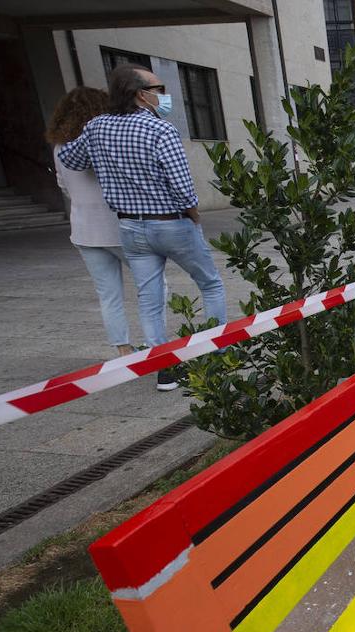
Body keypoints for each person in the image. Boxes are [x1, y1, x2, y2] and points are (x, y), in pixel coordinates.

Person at [59, 64, 227, 392]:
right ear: (140, 94)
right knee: (210, 284)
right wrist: (194, 217)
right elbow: (182, 185)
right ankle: (217, 351)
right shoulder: (160, 131)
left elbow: (70, 159)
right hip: (171, 221)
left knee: (148, 298)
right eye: (158, 88)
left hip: (130, 225)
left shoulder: (96, 127)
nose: (163, 95)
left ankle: (165, 369)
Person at [47, 87, 136, 358]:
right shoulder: (107, 141)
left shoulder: (60, 147)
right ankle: (157, 344)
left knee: (108, 295)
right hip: (118, 225)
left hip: (84, 229)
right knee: (154, 286)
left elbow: (64, 186)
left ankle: (123, 350)